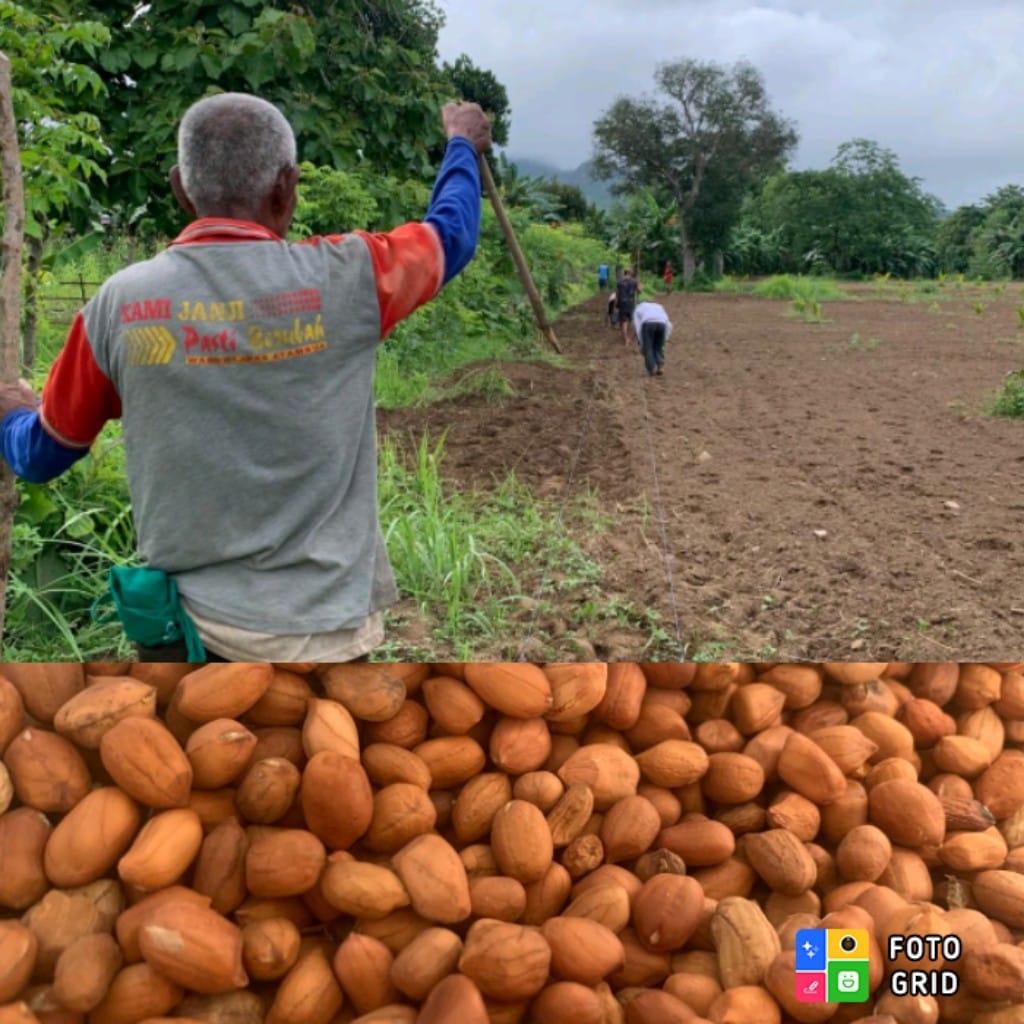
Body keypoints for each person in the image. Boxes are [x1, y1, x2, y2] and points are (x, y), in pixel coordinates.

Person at [0, 93, 492, 662]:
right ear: (288, 187)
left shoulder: (118, 306)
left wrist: (12, 414)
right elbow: (451, 234)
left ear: (180, 188)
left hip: (186, 639)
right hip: (325, 637)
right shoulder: (351, 279)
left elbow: (41, 456)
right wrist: (460, 144)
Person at [632, 300, 673, 377]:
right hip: (662, 323)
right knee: (658, 346)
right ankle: (660, 367)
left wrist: (641, 342)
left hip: (648, 323)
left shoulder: (638, 308)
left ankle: (651, 369)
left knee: (648, 348)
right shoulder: (659, 306)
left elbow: (638, 326)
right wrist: (665, 339)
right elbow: (668, 324)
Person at [615, 269, 640, 347]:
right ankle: (628, 337)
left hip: (622, 303)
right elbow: (639, 291)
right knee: (629, 320)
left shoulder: (619, 282)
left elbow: (617, 294)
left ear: (624, 273)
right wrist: (639, 284)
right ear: (630, 273)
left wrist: (616, 304)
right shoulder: (634, 282)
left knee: (623, 321)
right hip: (630, 303)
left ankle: (626, 338)